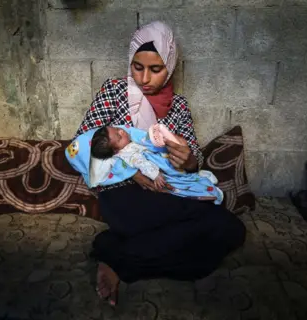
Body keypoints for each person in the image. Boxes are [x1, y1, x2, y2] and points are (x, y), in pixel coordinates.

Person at [73, 21, 246, 306]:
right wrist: (132, 172)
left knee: (232, 230)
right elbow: (85, 144)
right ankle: (142, 257)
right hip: (123, 196)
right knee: (201, 251)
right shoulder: (114, 91)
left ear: (170, 65)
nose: (144, 78)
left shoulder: (178, 106)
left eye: (156, 69)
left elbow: (194, 161)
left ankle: (111, 253)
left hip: (168, 193)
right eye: (137, 66)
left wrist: (188, 159)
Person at [88, 124, 224, 203]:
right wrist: (155, 175)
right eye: (119, 136)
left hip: (173, 162)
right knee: (176, 186)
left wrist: (189, 159)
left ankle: (199, 179)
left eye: (117, 128)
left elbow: (192, 151)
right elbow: (143, 164)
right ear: (116, 150)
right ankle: (203, 190)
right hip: (157, 176)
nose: (122, 130)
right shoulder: (128, 154)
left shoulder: (131, 140)